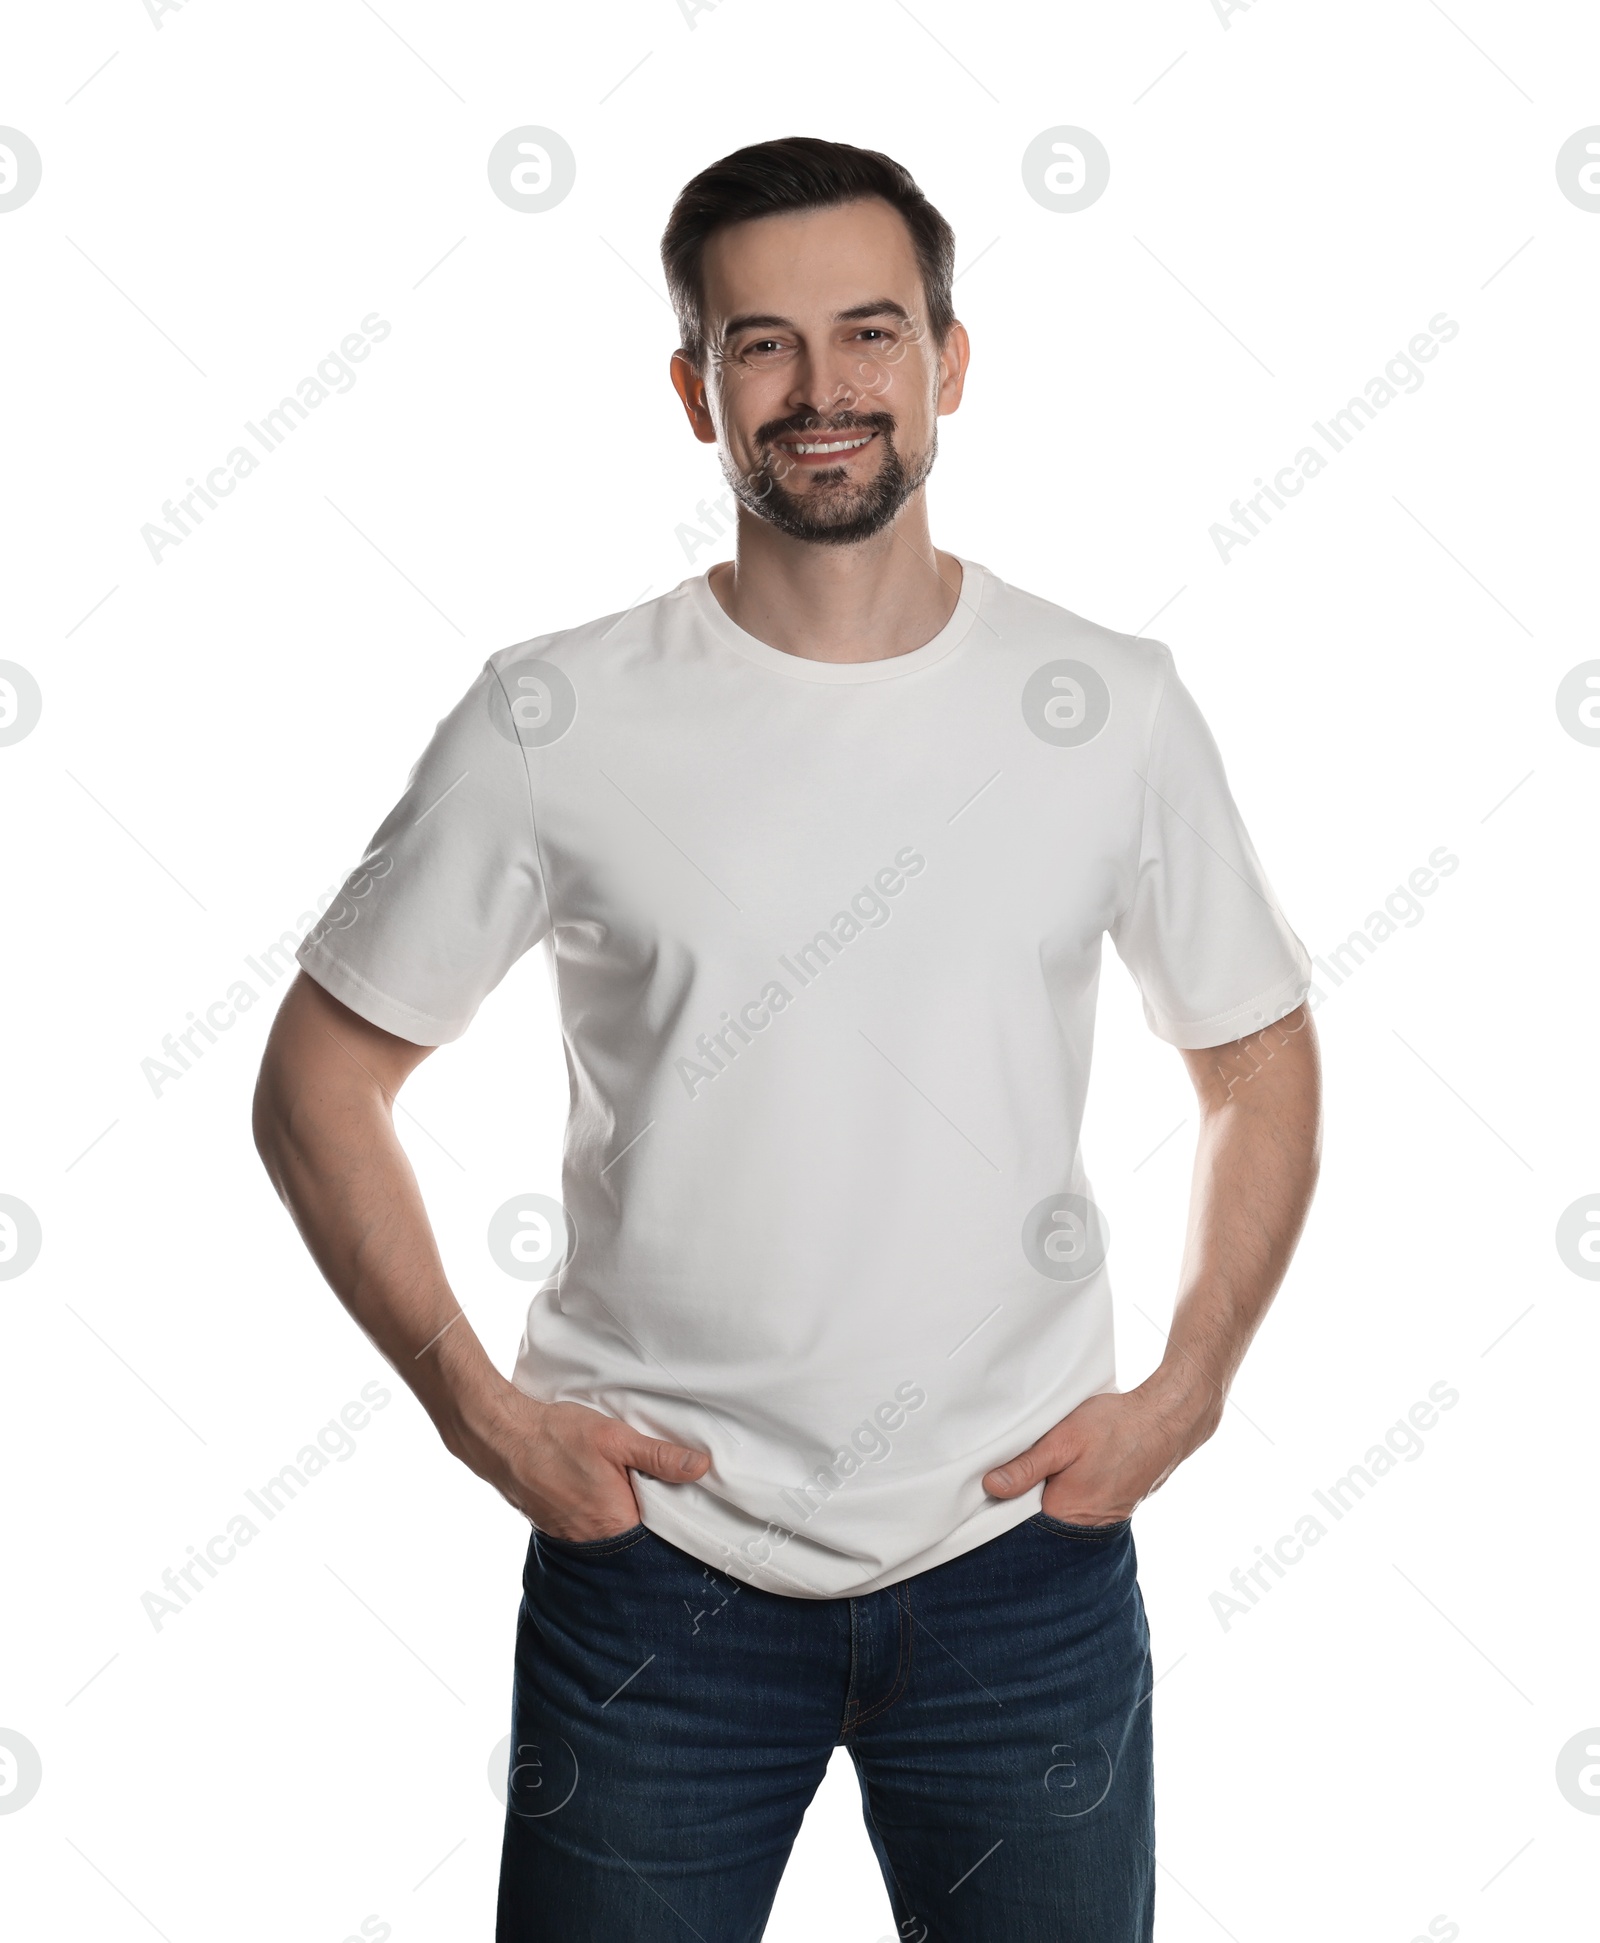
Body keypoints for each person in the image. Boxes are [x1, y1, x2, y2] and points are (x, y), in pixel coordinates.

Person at [253, 135, 1321, 1943]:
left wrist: (1193, 1387)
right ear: (695, 391)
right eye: (762, 345)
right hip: (658, 1574)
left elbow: (1256, 1058)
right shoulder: (555, 713)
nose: (824, 391)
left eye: (871, 333)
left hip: (1020, 1568)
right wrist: (479, 1414)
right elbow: (318, 1085)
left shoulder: (1112, 708)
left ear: (949, 363)